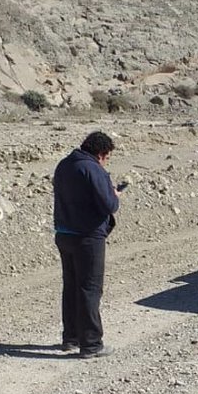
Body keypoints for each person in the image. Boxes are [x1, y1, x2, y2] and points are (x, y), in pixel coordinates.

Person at [52, 131, 121, 358]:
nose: (106, 161)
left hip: (64, 233)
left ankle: (70, 338)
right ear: (101, 154)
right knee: (90, 289)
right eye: (107, 157)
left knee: (71, 287)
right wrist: (114, 194)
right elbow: (109, 204)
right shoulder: (93, 169)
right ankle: (91, 344)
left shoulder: (63, 165)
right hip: (88, 236)